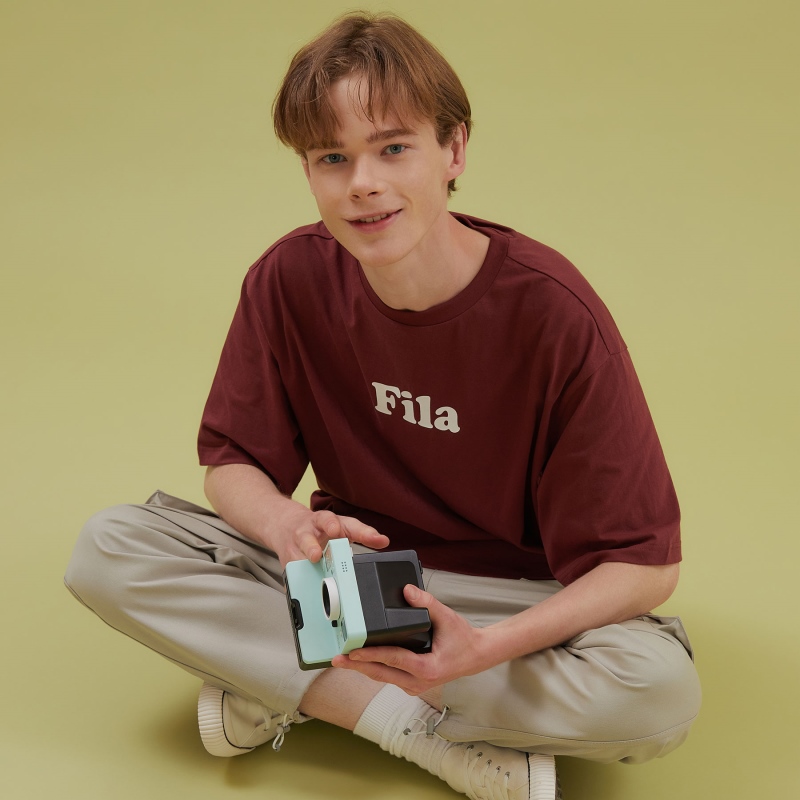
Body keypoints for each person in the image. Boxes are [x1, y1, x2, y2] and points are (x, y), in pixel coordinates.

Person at [64, 11, 701, 800]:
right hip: (349, 581)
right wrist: (287, 527)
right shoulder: (289, 279)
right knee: (110, 548)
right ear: (308, 171)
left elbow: (644, 566)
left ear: (453, 150)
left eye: (393, 148)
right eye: (332, 157)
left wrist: (489, 647)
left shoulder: (553, 314)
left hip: (506, 602)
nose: (362, 183)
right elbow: (231, 464)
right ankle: (420, 731)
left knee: (658, 689)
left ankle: (285, 680)